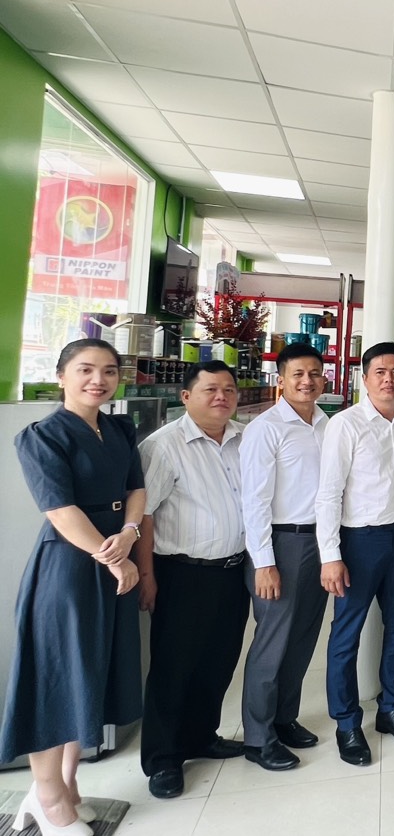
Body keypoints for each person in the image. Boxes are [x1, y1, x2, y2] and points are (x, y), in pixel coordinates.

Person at [0, 340, 143, 835]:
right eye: (85, 370)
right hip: (67, 567)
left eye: (109, 371)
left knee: (90, 674)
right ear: (61, 375)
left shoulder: (120, 428)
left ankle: (67, 784)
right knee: (54, 680)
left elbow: (136, 490)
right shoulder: (41, 437)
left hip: (115, 554)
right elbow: (61, 511)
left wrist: (129, 535)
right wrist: (113, 558)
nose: (98, 380)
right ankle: (47, 798)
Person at [136, 360, 250, 800]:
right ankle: (163, 758)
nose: (222, 397)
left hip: (232, 570)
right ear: (186, 397)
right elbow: (144, 514)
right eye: (210, 390)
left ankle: (202, 735)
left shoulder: (244, 438)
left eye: (228, 389)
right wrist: (147, 575)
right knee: (174, 665)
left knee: (219, 659)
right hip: (181, 572)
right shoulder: (163, 446)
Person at [317, 342, 394, 766]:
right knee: (347, 634)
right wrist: (330, 555)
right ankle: (347, 723)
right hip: (358, 541)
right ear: (364, 379)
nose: (389, 379)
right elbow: (328, 493)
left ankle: (392, 709)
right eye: (379, 372)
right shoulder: (345, 425)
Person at [238, 342, 329, 772]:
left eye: (314, 373)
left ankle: (284, 718)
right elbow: (254, 500)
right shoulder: (266, 429)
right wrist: (264, 562)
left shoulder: (326, 424)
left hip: (321, 543)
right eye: (298, 374)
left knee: (303, 637)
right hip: (282, 543)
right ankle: (258, 738)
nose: (307, 381)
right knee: (272, 642)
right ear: (282, 380)